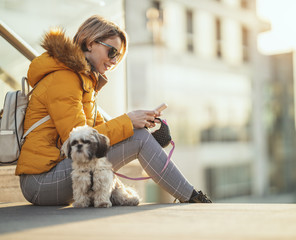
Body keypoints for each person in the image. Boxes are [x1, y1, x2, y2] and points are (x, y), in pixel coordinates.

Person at [16, 15, 212, 205]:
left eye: (118, 57)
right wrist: (129, 121)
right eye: (112, 52)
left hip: (58, 174)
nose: (113, 61)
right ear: (91, 42)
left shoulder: (84, 82)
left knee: (139, 135)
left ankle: (190, 195)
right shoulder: (64, 78)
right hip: (41, 182)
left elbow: (106, 134)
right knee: (139, 139)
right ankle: (192, 197)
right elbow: (79, 141)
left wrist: (140, 121)